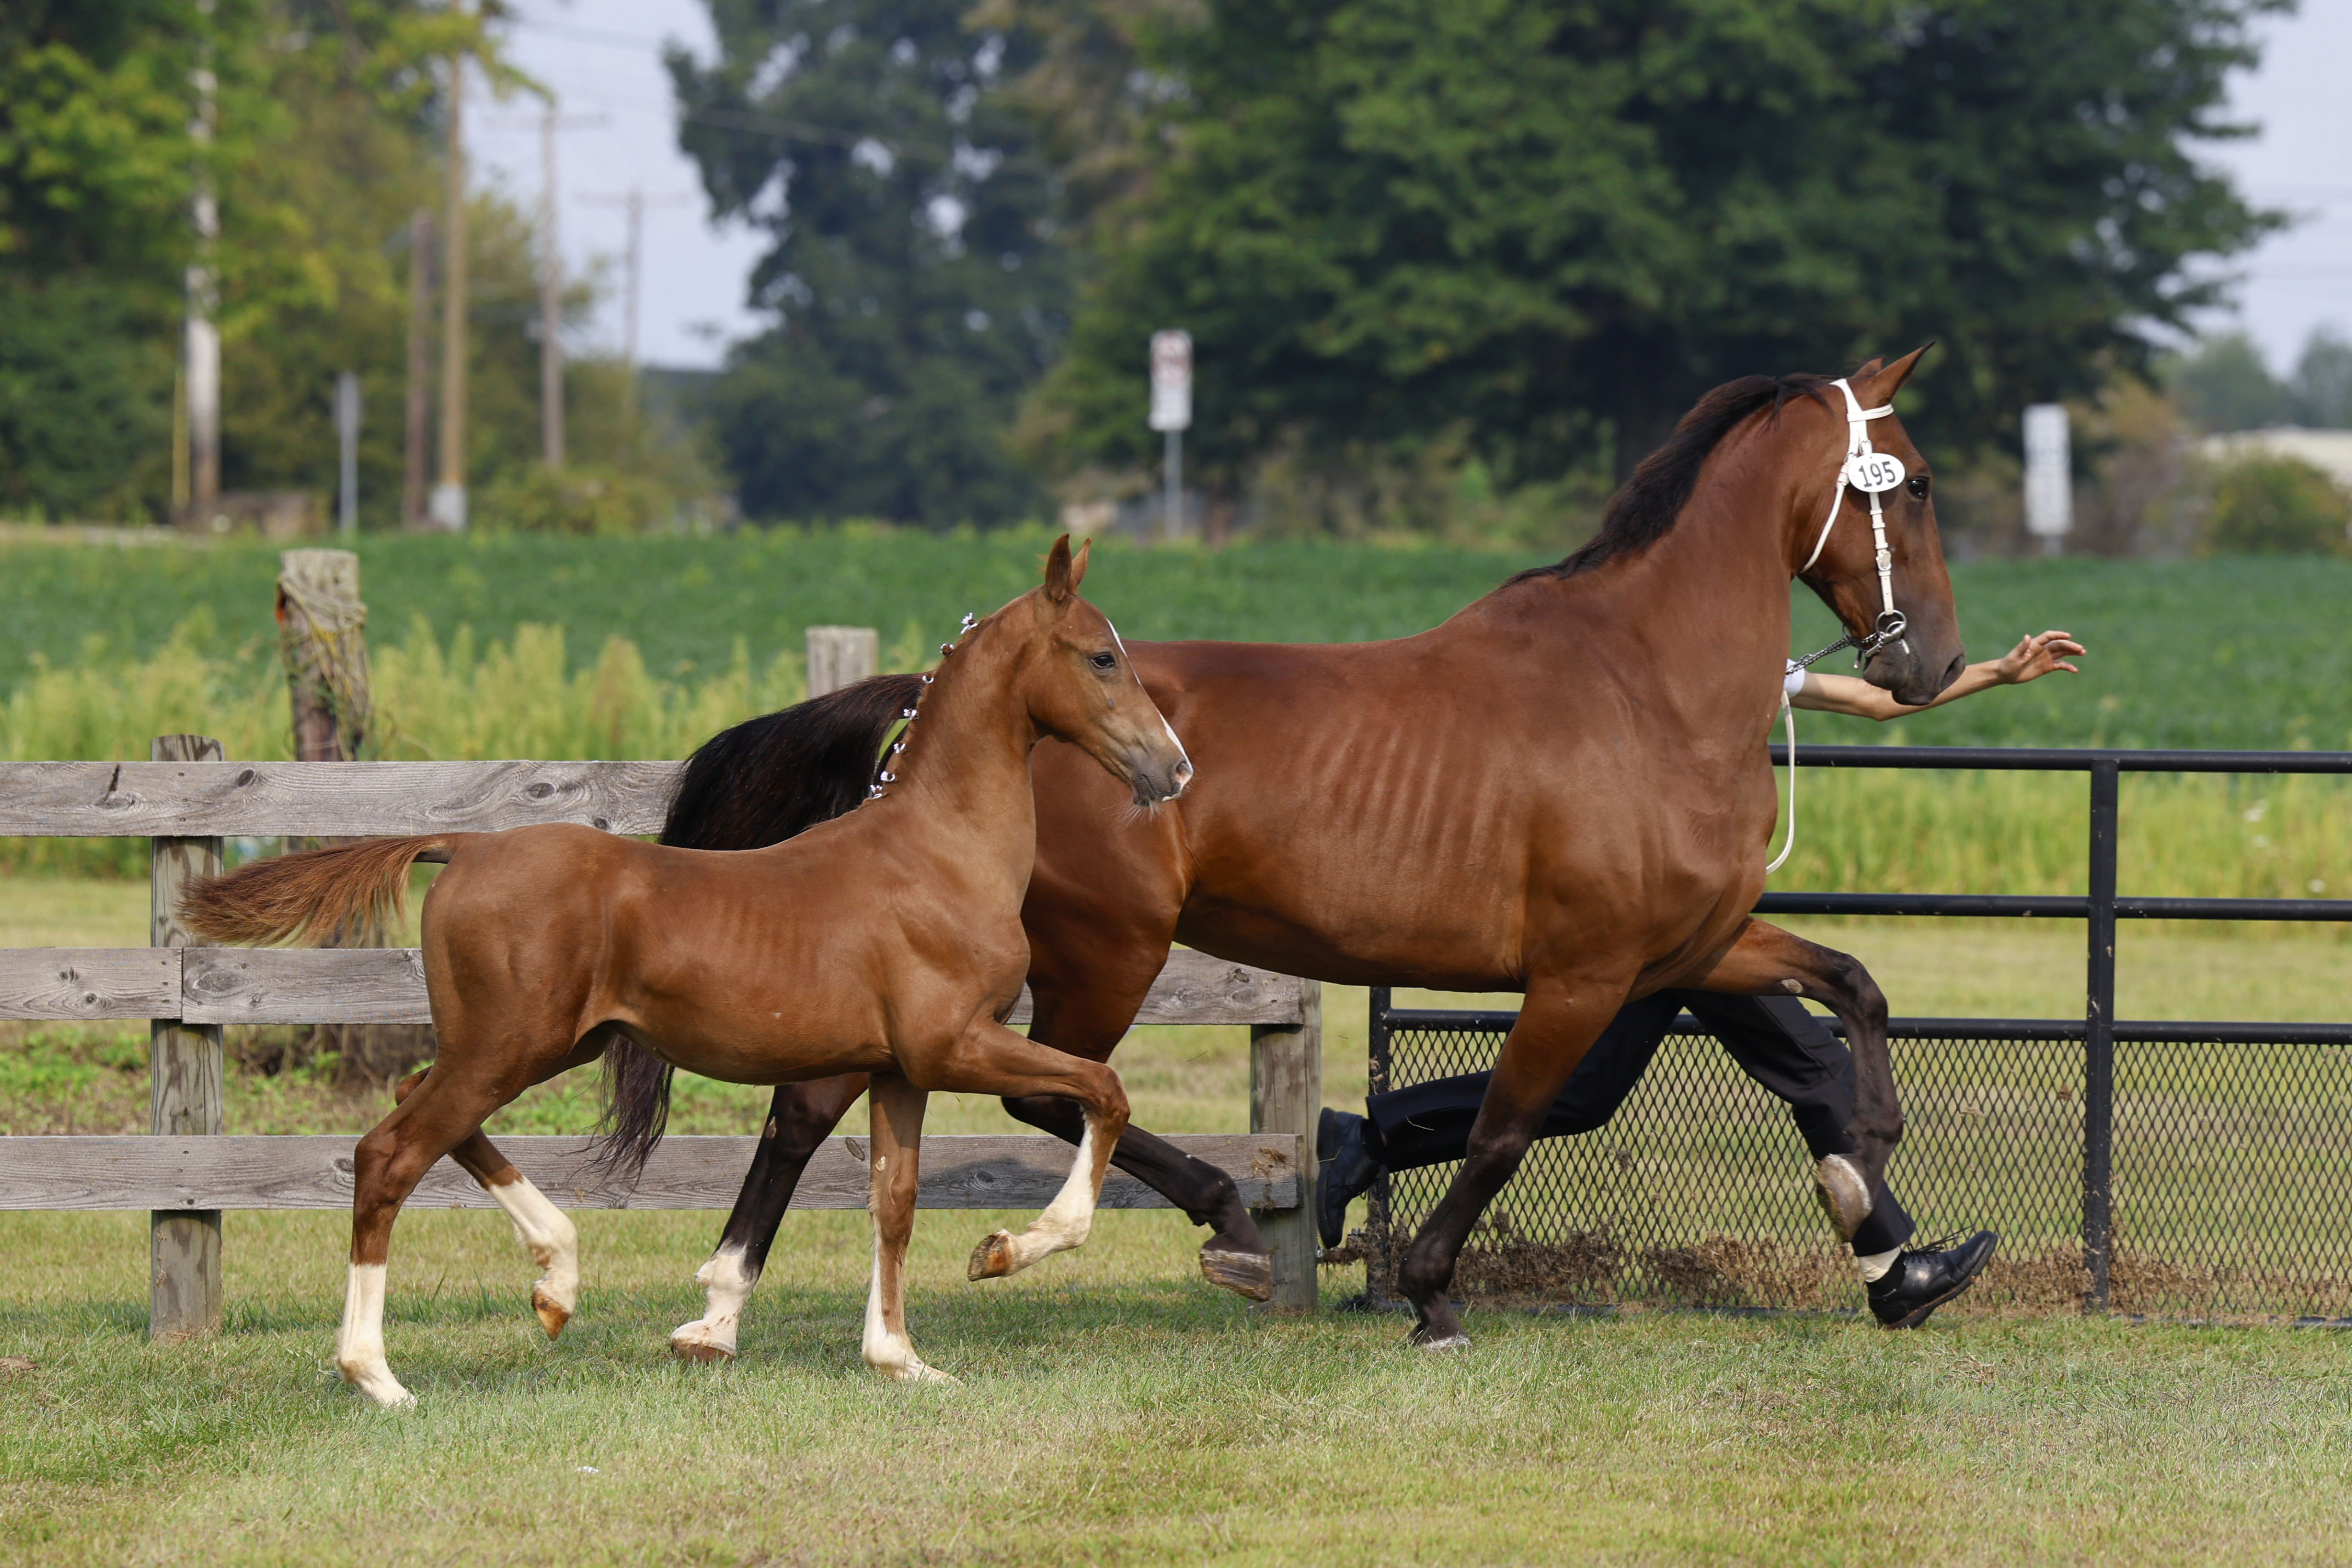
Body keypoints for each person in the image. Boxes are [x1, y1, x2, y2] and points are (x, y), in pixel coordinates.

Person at [1318, 629, 2087, 1329]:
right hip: (1669, 915)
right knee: (1816, 1066)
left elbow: (1872, 701)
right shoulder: (1639, 666)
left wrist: (1997, 672)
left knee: (1586, 1091)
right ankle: (1892, 1275)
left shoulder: (1745, 663)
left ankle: (1369, 1136)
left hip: (1678, 916)